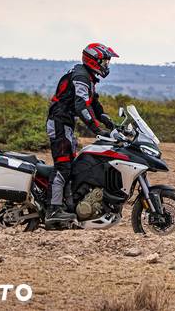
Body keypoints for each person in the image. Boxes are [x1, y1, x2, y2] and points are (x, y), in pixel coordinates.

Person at [45, 43, 120, 223]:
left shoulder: (88, 77)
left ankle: (69, 204)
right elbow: (81, 105)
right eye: (104, 62)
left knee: (74, 165)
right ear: (94, 60)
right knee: (63, 165)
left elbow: (93, 104)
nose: (106, 66)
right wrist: (97, 130)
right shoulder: (81, 77)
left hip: (66, 124)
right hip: (59, 122)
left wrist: (109, 122)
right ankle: (53, 210)